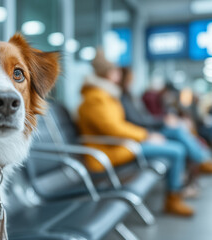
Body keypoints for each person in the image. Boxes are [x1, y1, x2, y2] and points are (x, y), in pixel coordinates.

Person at [77, 49, 194, 217]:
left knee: (174, 148)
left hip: (118, 146)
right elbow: (113, 129)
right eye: (116, 70)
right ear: (109, 74)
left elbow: (117, 126)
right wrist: (146, 136)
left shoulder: (105, 94)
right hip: (108, 153)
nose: (120, 74)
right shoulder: (97, 97)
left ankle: (177, 192)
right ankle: (173, 200)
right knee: (176, 150)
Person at [120, 68, 212, 176]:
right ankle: (202, 161)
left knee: (181, 130)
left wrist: (167, 119)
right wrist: (158, 126)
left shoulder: (131, 97)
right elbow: (139, 120)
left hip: (147, 130)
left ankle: (202, 159)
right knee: (179, 133)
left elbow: (145, 118)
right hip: (143, 134)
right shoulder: (131, 98)